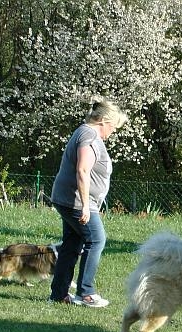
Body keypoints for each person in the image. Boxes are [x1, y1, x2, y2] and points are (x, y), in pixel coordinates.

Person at [48, 97, 128, 307]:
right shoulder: (90, 136)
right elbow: (82, 170)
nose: (113, 132)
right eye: (113, 127)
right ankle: (86, 293)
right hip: (76, 201)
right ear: (102, 121)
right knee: (96, 240)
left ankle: (59, 294)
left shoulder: (83, 131)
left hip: (67, 198)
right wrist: (85, 205)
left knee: (71, 244)